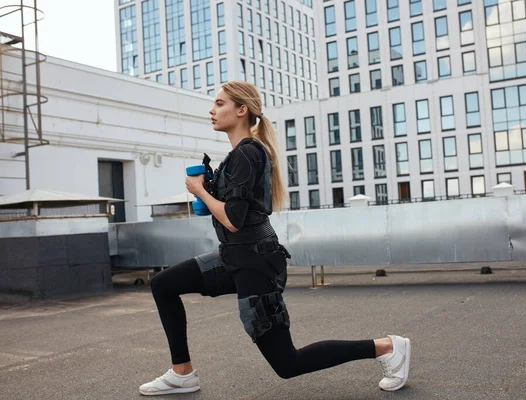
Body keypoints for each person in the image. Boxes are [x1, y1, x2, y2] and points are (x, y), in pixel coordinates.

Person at [139, 81, 411, 396]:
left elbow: (233, 219)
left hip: (254, 262)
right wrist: (210, 190)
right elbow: (231, 212)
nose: (212, 111)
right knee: (163, 284)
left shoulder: (248, 153)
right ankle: (182, 373)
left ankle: (388, 347)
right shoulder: (239, 155)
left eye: (219, 103)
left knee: (287, 363)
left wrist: (199, 190)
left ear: (241, 110)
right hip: (235, 257)